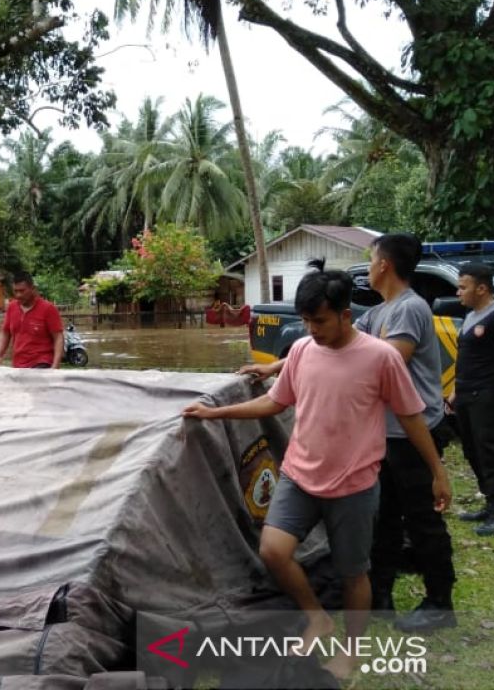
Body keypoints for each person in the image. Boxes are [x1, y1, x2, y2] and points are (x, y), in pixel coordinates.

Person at [184, 261, 449, 680]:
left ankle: (352, 648)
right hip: (299, 476)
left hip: (354, 485)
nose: (312, 330)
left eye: (320, 321)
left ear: (346, 314)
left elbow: (412, 416)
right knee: (273, 550)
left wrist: (438, 471)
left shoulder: (380, 358)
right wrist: (216, 412)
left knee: (352, 573)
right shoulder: (303, 351)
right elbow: (275, 401)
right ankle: (317, 617)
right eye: (306, 320)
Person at [452, 262, 494, 536]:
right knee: (471, 449)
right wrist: (456, 389)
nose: (459, 293)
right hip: (466, 394)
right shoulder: (470, 316)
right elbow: (467, 358)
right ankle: (489, 504)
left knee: (489, 451)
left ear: (482, 288)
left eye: (463, 287)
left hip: (487, 395)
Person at [0, 272, 63, 369]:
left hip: (42, 363)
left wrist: (55, 366)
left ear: (33, 289)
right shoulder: (12, 307)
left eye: (22, 291)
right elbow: (5, 332)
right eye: (15, 291)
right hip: (18, 365)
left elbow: (58, 337)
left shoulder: (48, 309)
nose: (18, 295)